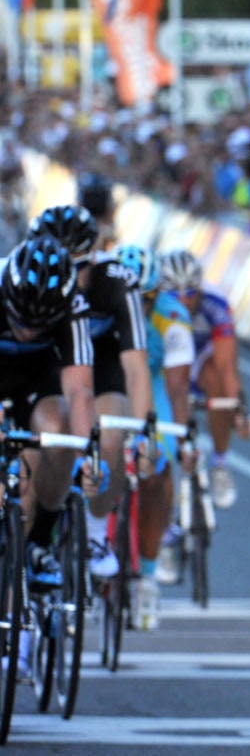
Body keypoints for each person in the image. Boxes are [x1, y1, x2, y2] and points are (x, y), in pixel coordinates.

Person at [28, 205, 152, 583]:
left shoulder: (117, 280)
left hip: (104, 362)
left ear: (94, 256)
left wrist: (144, 435)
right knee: (54, 434)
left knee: (112, 436)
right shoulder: (30, 277)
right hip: (52, 361)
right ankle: (37, 537)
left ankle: (97, 533)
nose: (72, 277)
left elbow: (135, 366)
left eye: (80, 266)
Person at [0, 235, 100, 680]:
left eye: (40, 324)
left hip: (38, 381)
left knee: (57, 433)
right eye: (22, 320)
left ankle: (39, 540)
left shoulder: (73, 306)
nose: (28, 330)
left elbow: (80, 391)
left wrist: (87, 455)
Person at [112, 244, 191, 630]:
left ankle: (146, 573)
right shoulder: (96, 307)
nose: (137, 306)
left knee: (159, 466)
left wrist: (185, 437)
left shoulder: (173, 317)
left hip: (154, 383)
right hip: (111, 381)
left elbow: (177, 389)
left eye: (145, 299)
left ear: (157, 295)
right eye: (129, 297)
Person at [158, 248, 250, 511]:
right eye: (173, 294)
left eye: (189, 293)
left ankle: (220, 463)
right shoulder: (151, 305)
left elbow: (227, 366)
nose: (182, 301)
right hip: (166, 363)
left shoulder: (216, 304)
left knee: (216, 379)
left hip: (200, 360)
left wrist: (238, 408)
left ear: (199, 289)